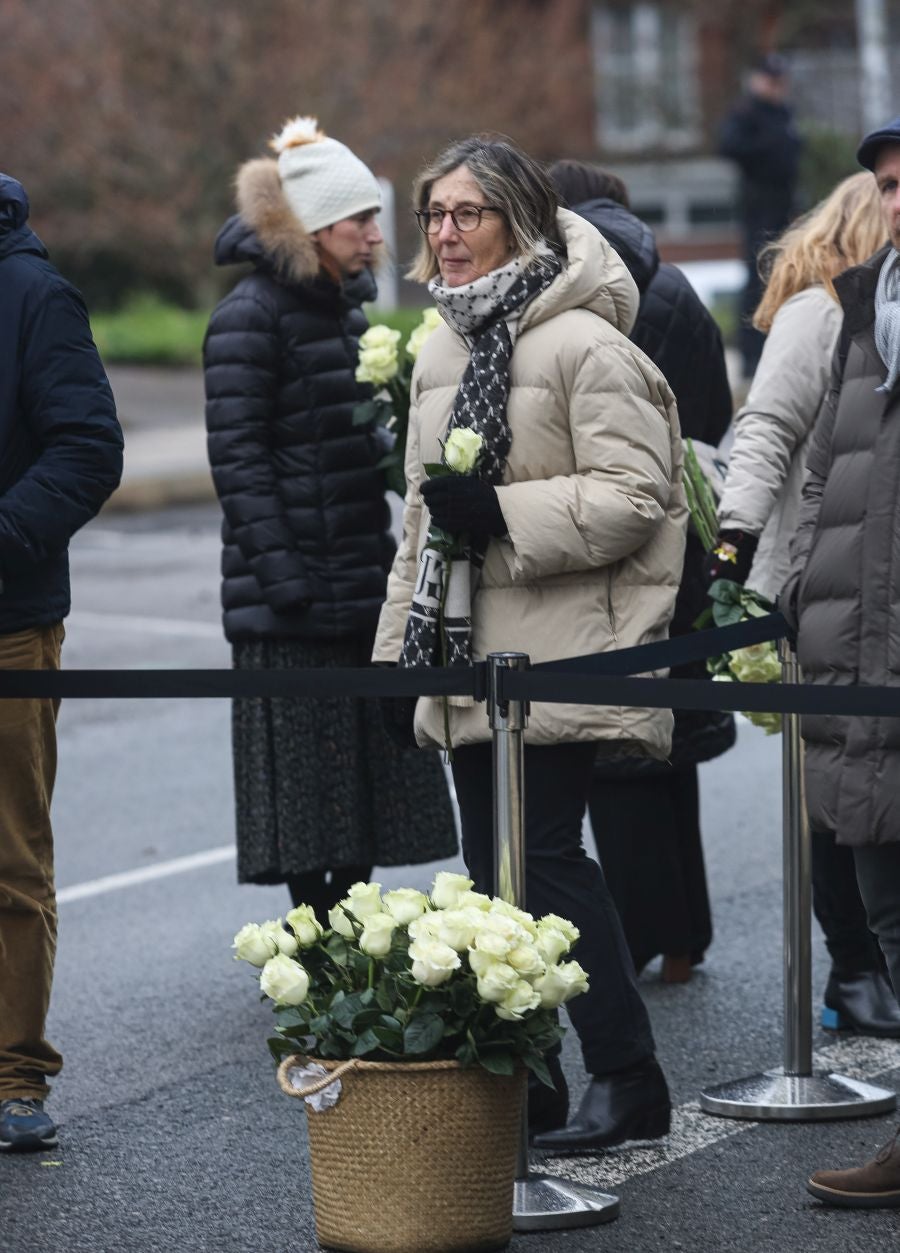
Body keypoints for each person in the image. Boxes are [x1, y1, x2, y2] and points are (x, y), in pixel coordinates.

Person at [373, 135, 686, 1151]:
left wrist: (501, 509)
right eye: (435, 214)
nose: (447, 233)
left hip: (553, 646)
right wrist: (394, 663)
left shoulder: (584, 342)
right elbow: (421, 528)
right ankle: (534, 1078)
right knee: (490, 871)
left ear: (522, 220)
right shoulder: (441, 343)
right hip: (467, 650)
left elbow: (639, 496)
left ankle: (629, 1076)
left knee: (542, 863)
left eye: (469, 213)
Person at [203, 118, 456, 921]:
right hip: (291, 600)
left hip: (356, 577)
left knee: (363, 788)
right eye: (360, 222)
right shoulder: (250, 315)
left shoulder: (344, 311)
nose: (377, 236)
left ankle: (353, 935)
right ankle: (314, 944)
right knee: (307, 800)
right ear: (312, 228)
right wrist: (285, 580)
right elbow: (237, 459)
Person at [707, 172, 900, 1038]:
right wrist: (740, 553)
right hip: (821, 586)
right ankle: (855, 969)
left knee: (854, 786)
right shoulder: (824, 315)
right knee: (835, 788)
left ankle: (861, 968)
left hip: (850, 584)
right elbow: (772, 433)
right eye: (888, 194)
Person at [549, 158, 735, 982]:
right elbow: (717, 414)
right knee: (670, 748)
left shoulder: (586, 292)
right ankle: (687, 932)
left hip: (621, 544)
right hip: (686, 536)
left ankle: (639, 934)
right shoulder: (678, 286)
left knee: (618, 753)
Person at [771, 116, 900, 1207]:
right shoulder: (866, 316)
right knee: (884, 897)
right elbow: (821, 474)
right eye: (892, 187)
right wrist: (805, 584)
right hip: (860, 665)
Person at [0, 174, 123, 1151]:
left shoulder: (34, 295)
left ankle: (13, 1077)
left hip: (8, 622)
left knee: (7, 860)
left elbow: (87, 447)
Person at [719, 52, 803, 380]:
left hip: (783, 206)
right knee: (757, 279)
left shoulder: (783, 113)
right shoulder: (747, 112)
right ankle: (751, 357)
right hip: (759, 209)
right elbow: (729, 146)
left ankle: (777, 350)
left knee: (784, 275)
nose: (776, 88)